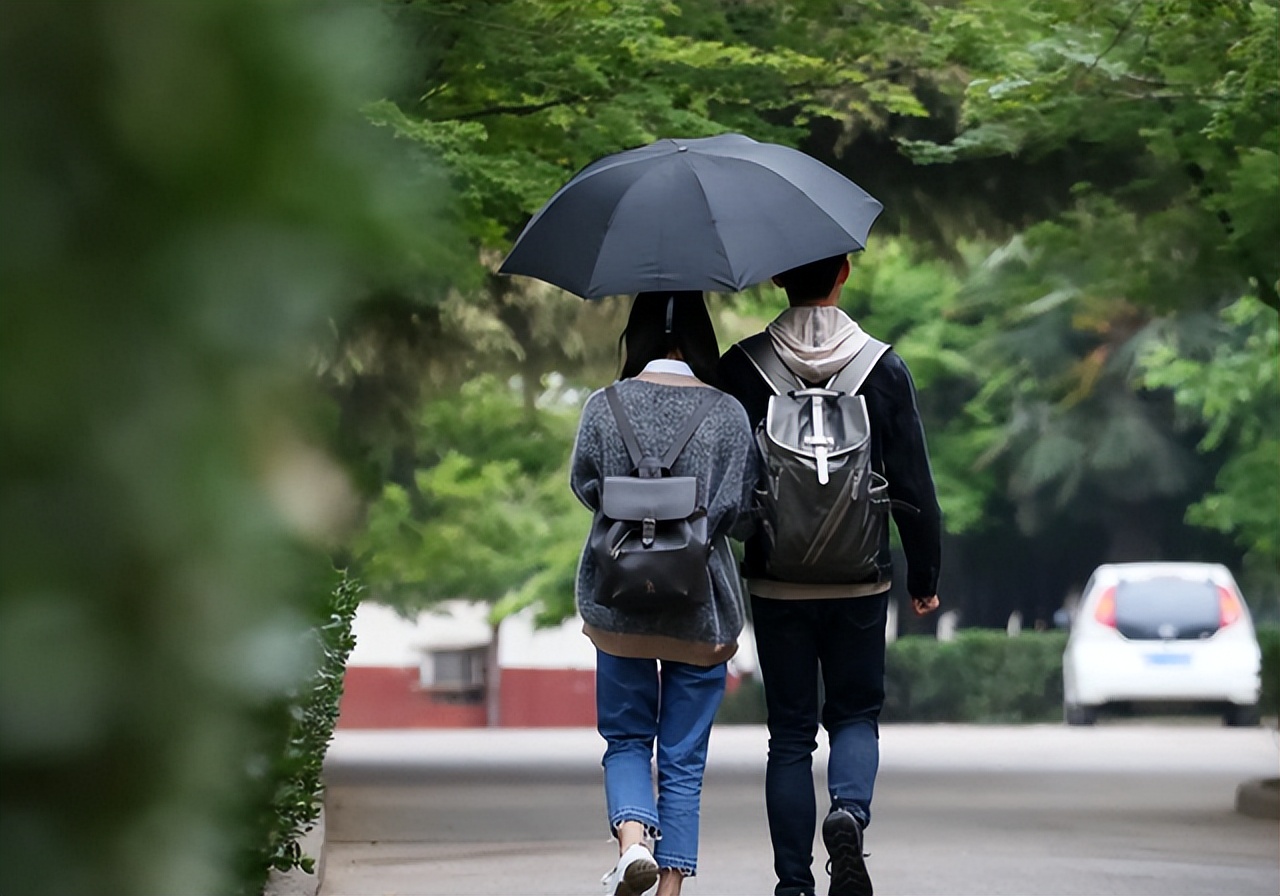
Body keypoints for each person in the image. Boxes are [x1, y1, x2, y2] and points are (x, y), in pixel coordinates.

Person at [717, 254, 942, 896]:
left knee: (790, 734)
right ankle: (849, 812)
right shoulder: (883, 366)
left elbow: (727, 475)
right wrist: (924, 574)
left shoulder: (744, 367)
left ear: (777, 278)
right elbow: (914, 482)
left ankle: (794, 883)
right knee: (854, 715)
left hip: (777, 578)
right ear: (844, 272)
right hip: (860, 577)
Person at [570, 291, 759, 896]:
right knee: (683, 759)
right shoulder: (728, 413)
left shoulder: (603, 407)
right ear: (701, 339)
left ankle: (633, 847)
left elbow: (585, 487)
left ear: (637, 335)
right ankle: (671, 889)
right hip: (701, 606)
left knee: (626, 739)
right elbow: (740, 511)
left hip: (617, 603)